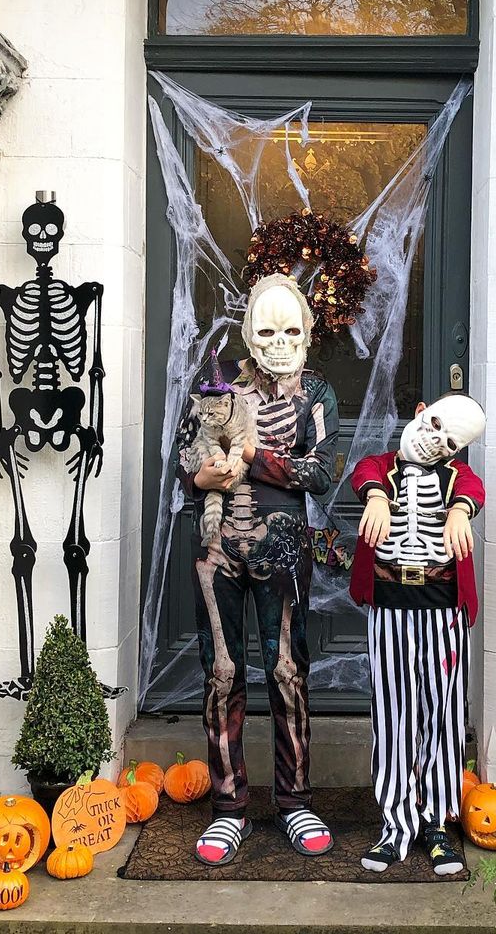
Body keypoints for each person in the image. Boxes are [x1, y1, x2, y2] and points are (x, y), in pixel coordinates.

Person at [179, 274, 338, 866]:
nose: (278, 342)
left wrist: (254, 457)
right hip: (217, 544)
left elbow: (322, 471)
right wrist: (201, 479)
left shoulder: (316, 393)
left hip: (283, 548)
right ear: (247, 331)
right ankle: (228, 807)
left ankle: (295, 799)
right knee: (221, 672)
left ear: (308, 333)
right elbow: (181, 454)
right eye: (266, 329)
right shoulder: (218, 386)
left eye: (291, 329)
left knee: (287, 669)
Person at [348, 393, 487, 875]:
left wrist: (458, 512)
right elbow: (362, 471)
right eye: (435, 426)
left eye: (449, 443)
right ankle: (395, 826)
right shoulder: (380, 468)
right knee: (393, 718)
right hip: (389, 609)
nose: (436, 444)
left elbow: (473, 486)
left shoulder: (456, 479)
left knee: (444, 718)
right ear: (421, 410)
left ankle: (437, 824)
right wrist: (378, 496)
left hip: (442, 612)